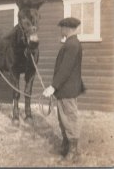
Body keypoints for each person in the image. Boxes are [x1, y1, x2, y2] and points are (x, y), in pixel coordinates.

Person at [43, 17, 85, 162]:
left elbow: (65, 69)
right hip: (65, 89)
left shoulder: (72, 45)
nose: (60, 30)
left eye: (62, 27)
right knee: (63, 118)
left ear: (67, 28)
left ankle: (74, 152)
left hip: (68, 89)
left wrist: (53, 87)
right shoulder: (71, 43)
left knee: (69, 119)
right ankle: (67, 146)